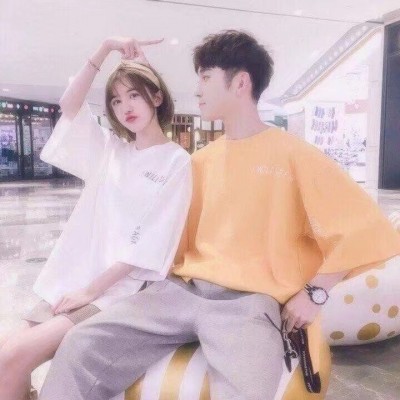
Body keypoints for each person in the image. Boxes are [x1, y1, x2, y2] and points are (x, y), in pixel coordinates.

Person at [38, 30, 400, 400]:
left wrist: (315, 292)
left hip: (249, 302)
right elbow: (160, 230)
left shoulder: (296, 155)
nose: (198, 90)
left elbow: (361, 228)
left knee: (248, 392)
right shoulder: (199, 161)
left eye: (206, 77)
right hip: (179, 290)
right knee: (80, 345)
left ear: (240, 82)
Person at [0, 36, 192, 400]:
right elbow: (69, 106)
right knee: (5, 358)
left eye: (134, 95)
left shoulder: (176, 162)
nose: (125, 106)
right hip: (74, 278)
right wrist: (104, 49)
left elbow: (150, 243)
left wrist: (91, 291)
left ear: (157, 97)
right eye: (116, 100)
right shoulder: (111, 150)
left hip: (115, 290)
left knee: (12, 358)